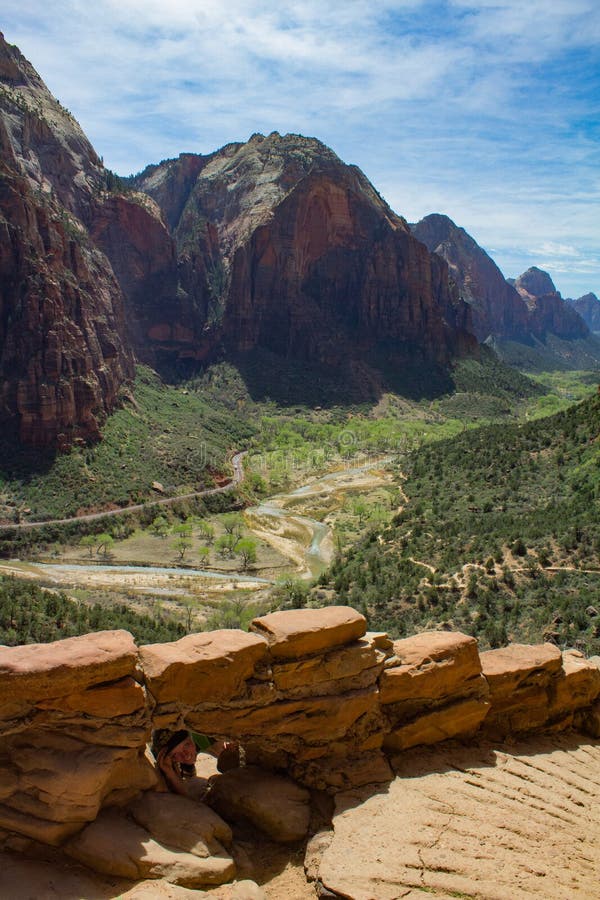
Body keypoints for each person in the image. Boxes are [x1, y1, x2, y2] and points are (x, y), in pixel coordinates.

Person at [151, 729, 240, 799]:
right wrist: (170, 773)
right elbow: (186, 798)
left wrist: (230, 742)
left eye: (186, 745)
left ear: (190, 736)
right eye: (175, 754)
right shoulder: (162, 757)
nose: (185, 756)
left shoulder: (205, 736)